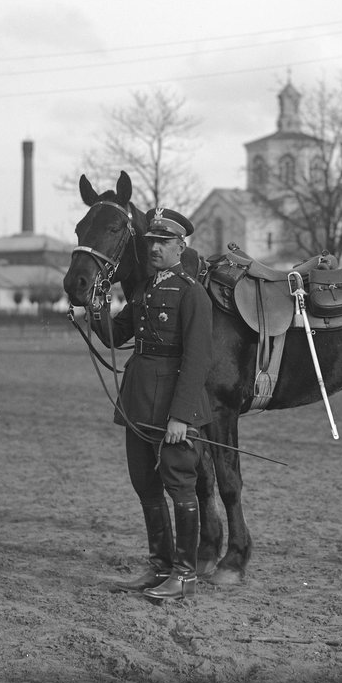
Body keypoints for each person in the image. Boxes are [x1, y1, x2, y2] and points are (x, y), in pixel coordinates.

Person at [90, 207, 213, 601]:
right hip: (139, 401)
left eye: (163, 243)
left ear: (181, 247)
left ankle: (185, 575)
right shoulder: (145, 290)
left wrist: (181, 416)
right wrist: (94, 311)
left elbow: (197, 360)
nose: (155, 248)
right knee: (145, 485)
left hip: (172, 408)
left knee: (179, 486)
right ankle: (160, 567)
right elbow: (116, 335)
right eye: (151, 242)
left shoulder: (191, 292)